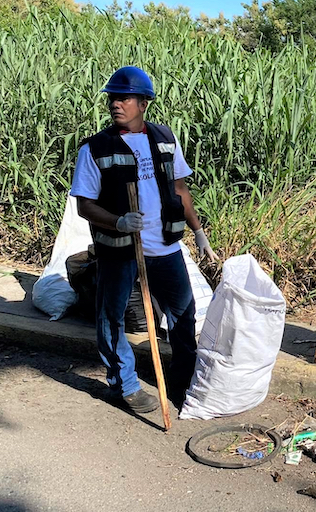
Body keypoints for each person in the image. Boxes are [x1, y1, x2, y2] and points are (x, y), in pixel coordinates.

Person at [70, 66, 218, 413]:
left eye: (124, 98)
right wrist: (119, 221)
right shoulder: (95, 148)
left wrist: (197, 231)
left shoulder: (164, 138)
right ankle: (126, 385)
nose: (116, 104)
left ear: (144, 103)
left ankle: (182, 381)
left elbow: (180, 188)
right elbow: (85, 206)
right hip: (119, 250)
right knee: (111, 316)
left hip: (165, 246)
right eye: (112, 98)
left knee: (184, 314)